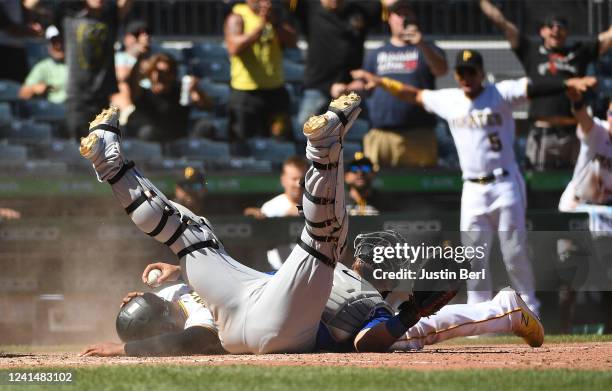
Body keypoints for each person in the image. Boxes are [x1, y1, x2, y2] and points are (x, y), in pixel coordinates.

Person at [79, 93, 365, 354]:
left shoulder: (169, 294)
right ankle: (324, 148)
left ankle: (112, 167)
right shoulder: (190, 314)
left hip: (258, 309)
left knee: (193, 236)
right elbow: (197, 340)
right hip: (265, 321)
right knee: (321, 241)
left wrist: (178, 274)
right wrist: (126, 349)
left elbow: (161, 306)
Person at [351, 50, 597, 313]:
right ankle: (479, 312)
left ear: (481, 73)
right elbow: (413, 94)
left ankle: (530, 308)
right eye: (461, 72)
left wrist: (566, 84)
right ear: (456, 76)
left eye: (471, 71)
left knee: (513, 252)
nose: (466, 77)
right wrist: (380, 81)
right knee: (473, 257)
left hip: (505, 183)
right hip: (472, 188)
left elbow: (532, 87)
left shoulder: (499, 93)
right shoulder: (450, 100)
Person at [479, 0, 612, 171]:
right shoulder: (531, 51)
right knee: (538, 185)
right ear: (542, 31)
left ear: (567, 32)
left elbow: (608, 37)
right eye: (551, 26)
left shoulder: (578, 53)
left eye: (561, 26)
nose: (556, 29)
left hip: (573, 133)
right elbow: (502, 23)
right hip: (542, 134)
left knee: (574, 186)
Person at [359, 0, 447, 168]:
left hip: (420, 134)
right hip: (381, 135)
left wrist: (420, 44)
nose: (403, 18)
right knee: (377, 188)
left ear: (415, 18)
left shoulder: (428, 48)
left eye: (407, 13)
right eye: (398, 14)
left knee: (421, 189)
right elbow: (364, 85)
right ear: (389, 19)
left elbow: (441, 70)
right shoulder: (376, 53)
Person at [558, 96, 612, 333]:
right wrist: (578, 100)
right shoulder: (598, 131)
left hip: (604, 212)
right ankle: (559, 328)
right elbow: (583, 117)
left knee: (608, 274)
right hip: (576, 207)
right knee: (569, 274)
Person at [224, 0, 297, 155]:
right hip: (245, 94)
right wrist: (261, 26)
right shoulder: (238, 17)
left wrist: (274, 23)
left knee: (282, 143)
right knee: (242, 147)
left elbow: (292, 42)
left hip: (275, 92)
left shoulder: (277, 16)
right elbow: (234, 47)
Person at [293, 0, 381, 126]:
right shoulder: (309, 7)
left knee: (361, 134)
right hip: (317, 87)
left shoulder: (360, 10)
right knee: (307, 132)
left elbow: (384, 6)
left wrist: (349, 88)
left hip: (350, 89)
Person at [80, 282, 225, 357]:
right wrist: (144, 300)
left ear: (166, 329)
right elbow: (150, 304)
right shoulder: (176, 291)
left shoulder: (203, 314)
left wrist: (122, 348)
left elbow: (185, 342)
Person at [62, 0, 133, 140]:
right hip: (77, 97)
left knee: (100, 150)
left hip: (102, 96)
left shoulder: (110, 17)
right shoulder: (68, 17)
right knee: (79, 147)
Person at [125, 53, 211, 143]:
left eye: (166, 72)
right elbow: (128, 83)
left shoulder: (181, 93)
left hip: (177, 142)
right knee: (148, 132)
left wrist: (196, 90)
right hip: (148, 145)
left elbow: (207, 107)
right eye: (157, 72)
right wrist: (139, 58)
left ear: (173, 75)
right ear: (150, 73)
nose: (161, 77)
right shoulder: (142, 94)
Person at [112, 19, 152, 113]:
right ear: (126, 39)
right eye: (137, 34)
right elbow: (121, 78)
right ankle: (129, 113)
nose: (145, 37)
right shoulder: (119, 57)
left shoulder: (155, 58)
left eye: (147, 33)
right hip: (131, 99)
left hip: (151, 98)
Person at [19, 25, 66, 104]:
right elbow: (22, 94)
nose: (58, 46)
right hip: (53, 109)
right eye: (54, 42)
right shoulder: (42, 66)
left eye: (61, 41)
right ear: (49, 46)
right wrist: (34, 88)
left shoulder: (78, 64)